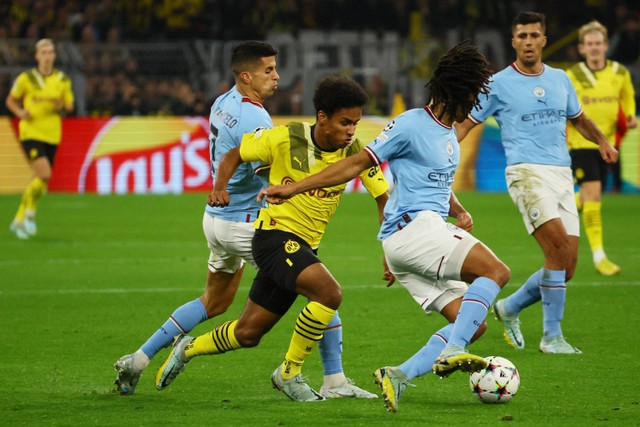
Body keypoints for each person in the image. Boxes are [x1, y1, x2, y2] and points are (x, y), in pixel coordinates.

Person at [113, 43, 377, 399]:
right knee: (319, 288)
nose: (276, 77)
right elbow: (263, 169)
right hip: (247, 222)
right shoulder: (257, 119)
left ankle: (139, 359)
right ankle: (333, 379)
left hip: (215, 218)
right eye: (269, 70)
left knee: (214, 302)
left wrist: (219, 186)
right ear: (246, 75)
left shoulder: (222, 103)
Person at [260, 41, 510, 412]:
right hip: (415, 230)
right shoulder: (410, 123)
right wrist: (294, 187)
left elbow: (434, 183)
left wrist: (457, 208)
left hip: (415, 237)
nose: (474, 105)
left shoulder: (448, 136)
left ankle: (399, 375)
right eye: (471, 96)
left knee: (472, 324)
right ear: (454, 91)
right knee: (496, 272)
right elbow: (356, 164)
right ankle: (453, 352)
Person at [456, 12, 618, 354]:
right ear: (513, 42)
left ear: (543, 40)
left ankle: (510, 306)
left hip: (561, 173)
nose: (528, 41)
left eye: (534, 35)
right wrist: (439, 149)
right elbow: (466, 124)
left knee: (567, 265)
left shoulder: (560, 80)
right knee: (557, 249)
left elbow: (579, 119)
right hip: (526, 173)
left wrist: (602, 141)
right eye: (522, 36)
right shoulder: (497, 84)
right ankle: (551, 337)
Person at [566, 20, 637, 276]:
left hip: (608, 145)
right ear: (582, 49)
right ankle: (599, 257)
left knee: (589, 196)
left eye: (598, 43)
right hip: (581, 143)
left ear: (606, 46)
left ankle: (563, 206)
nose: (594, 48)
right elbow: (564, 109)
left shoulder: (619, 73)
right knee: (593, 194)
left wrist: (630, 116)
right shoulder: (573, 76)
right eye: (589, 44)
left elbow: (628, 98)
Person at [6, 38, 74, 239]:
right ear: (37, 56)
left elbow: (70, 106)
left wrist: (61, 105)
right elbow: (10, 100)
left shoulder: (62, 80)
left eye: (50, 52)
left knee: (41, 179)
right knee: (44, 174)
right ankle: (28, 214)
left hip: (52, 133)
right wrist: (19, 113)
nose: (47, 56)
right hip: (31, 133)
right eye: (43, 52)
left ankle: (22, 217)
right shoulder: (26, 79)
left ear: (54, 56)